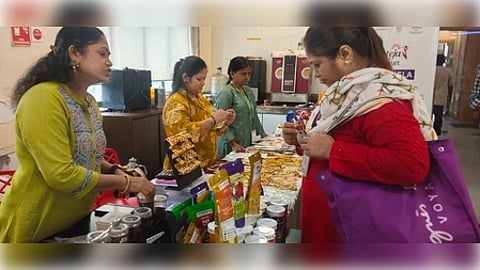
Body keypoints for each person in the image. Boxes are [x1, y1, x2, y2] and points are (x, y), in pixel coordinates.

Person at [0, 27, 155, 243]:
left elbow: (88, 155)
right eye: (102, 54)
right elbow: (62, 175)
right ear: (75, 53)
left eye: (109, 55)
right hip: (37, 226)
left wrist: (115, 169)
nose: (109, 62)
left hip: (78, 219)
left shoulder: (89, 102)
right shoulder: (43, 98)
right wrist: (128, 183)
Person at [282, 27, 436, 243]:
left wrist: (332, 150)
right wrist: (302, 142)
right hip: (331, 224)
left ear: (345, 54)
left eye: (317, 64)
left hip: (352, 230)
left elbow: (412, 164)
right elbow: (342, 140)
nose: (315, 74)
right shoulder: (346, 95)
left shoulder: (380, 102)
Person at [162, 56, 236, 168]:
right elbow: (181, 136)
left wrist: (225, 122)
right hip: (186, 167)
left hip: (207, 164)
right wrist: (213, 120)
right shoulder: (175, 102)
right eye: (199, 79)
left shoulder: (200, 98)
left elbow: (211, 131)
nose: (203, 83)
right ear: (186, 77)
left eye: (204, 79)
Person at [215, 56, 267, 158]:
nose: (247, 77)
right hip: (231, 144)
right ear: (232, 74)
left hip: (246, 140)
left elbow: (254, 115)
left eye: (249, 74)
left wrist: (263, 134)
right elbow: (221, 122)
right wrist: (233, 143)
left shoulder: (248, 91)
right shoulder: (226, 93)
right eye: (243, 74)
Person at [432, 54, 454, 136]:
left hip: (431, 95)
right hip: (441, 96)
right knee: (438, 116)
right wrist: (450, 97)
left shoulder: (432, 70)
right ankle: (437, 132)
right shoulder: (448, 71)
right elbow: (451, 85)